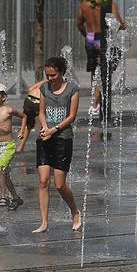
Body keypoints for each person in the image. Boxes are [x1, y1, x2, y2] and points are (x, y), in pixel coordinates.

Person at [29, 57, 82, 233]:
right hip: (45, 138)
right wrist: (44, 127)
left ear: (61, 72)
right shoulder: (44, 88)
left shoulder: (72, 89)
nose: (50, 78)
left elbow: (72, 116)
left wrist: (54, 130)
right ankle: (44, 222)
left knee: (59, 185)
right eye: (47, 74)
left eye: (53, 75)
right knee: (43, 181)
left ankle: (75, 211)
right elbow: (41, 112)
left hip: (63, 139)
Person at [76, 0, 125, 118]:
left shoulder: (85, 3)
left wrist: (86, 35)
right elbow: (119, 22)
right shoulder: (107, 3)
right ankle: (95, 104)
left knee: (95, 71)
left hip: (90, 37)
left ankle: (95, 101)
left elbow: (79, 23)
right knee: (106, 69)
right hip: (102, 37)